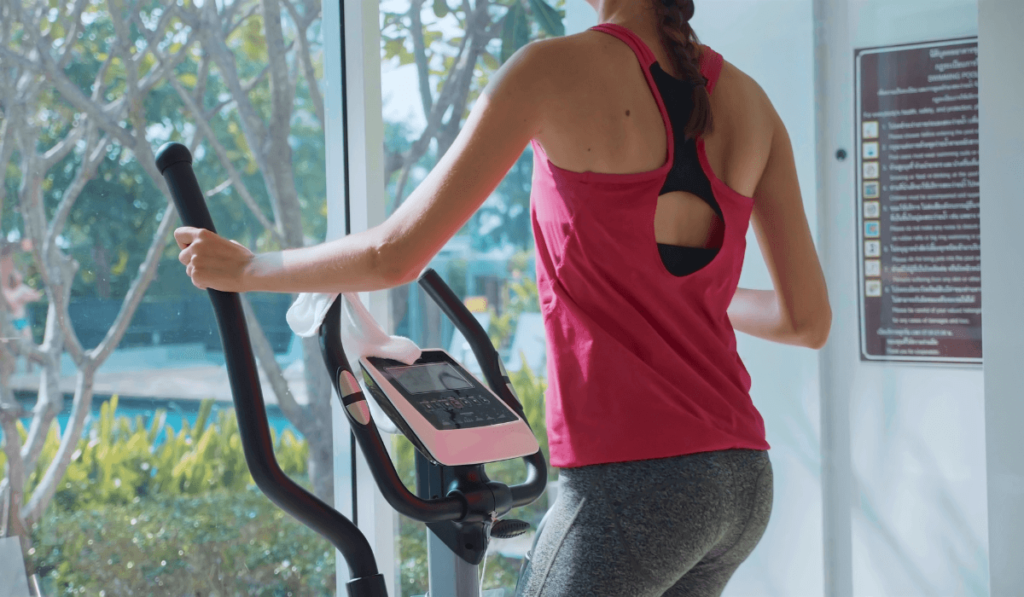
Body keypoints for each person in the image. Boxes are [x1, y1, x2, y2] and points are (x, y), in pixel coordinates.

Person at [174, 0, 830, 594]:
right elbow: (806, 320)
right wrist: (695, 296)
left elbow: (394, 254)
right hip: (740, 481)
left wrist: (250, 267)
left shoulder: (551, 70)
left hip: (632, 483)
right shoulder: (751, 102)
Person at [1, 240, 43, 373]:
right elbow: (11, 304)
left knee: (27, 341)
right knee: (11, 344)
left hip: (19, 320)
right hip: (9, 321)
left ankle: (29, 366)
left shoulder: (21, 289)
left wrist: (28, 297)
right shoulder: (8, 291)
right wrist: (21, 299)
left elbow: (34, 296)